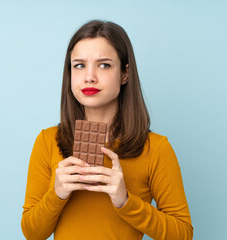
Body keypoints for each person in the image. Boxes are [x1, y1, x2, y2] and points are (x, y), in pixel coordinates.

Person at [21, 20, 193, 240]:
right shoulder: (47, 141)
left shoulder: (156, 148)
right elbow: (32, 233)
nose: (89, 76)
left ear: (125, 74)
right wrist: (57, 194)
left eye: (104, 65)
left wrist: (125, 201)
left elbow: (183, 234)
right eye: (79, 65)